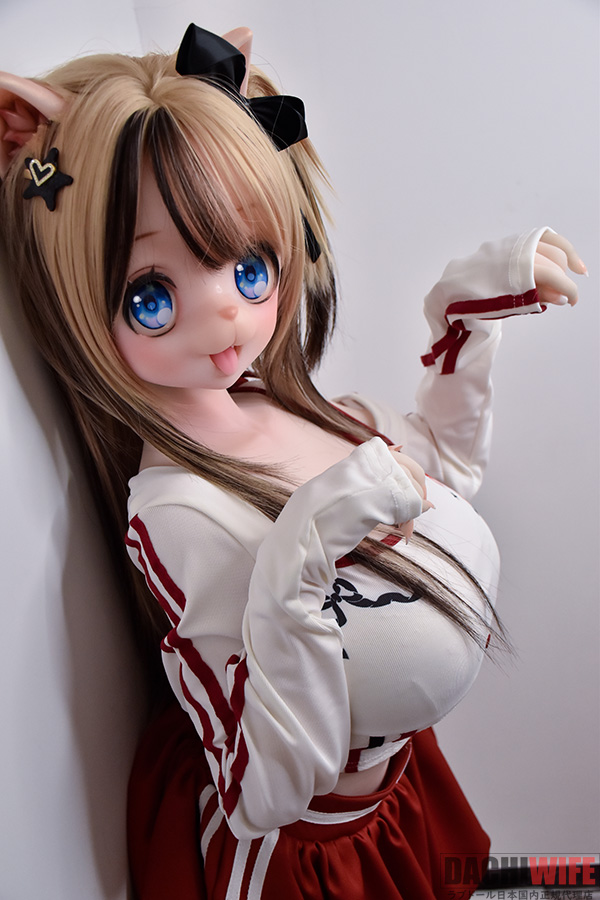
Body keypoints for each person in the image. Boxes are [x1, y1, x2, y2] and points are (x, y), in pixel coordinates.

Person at [0, 24, 585, 900]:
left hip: (398, 794)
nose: (226, 317)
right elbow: (260, 787)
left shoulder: (283, 401)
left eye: (251, 268)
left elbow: (438, 480)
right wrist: (304, 547)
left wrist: (461, 322)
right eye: (152, 295)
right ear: (83, 303)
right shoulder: (175, 510)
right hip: (308, 858)